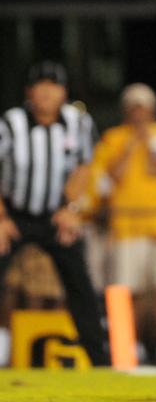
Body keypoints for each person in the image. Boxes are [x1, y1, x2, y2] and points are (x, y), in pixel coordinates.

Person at [0, 61, 107, 365]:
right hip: (14, 215)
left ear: (63, 92)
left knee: (81, 285)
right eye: (40, 84)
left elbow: (84, 167)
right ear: (28, 92)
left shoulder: (79, 123)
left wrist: (71, 209)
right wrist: (2, 218)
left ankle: (99, 361)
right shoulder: (10, 123)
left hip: (55, 215)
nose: (47, 91)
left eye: (54, 85)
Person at [90, 82, 156, 364]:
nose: (139, 113)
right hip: (127, 224)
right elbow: (106, 179)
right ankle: (129, 346)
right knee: (127, 290)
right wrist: (133, 144)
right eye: (134, 107)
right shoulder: (114, 138)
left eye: (144, 107)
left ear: (152, 109)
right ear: (126, 110)